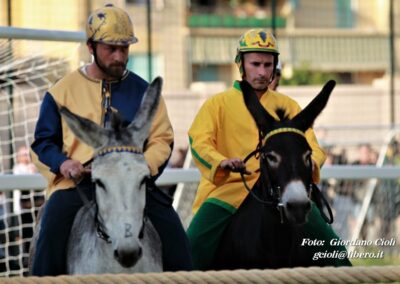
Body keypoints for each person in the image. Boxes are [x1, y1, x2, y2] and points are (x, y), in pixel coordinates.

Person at [30, 4, 192, 276]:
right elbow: (43, 143)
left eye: (125, 49)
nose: (119, 56)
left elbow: (162, 139)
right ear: (91, 47)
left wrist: (142, 168)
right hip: (77, 186)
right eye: (111, 49)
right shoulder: (61, 91)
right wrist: (64, 163)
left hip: (134, 185)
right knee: (50, 235)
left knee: (177, 241)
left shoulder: (144, 90)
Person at [187, 29, 351, 270]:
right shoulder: (217, 104)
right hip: (227, 190)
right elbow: (198, 140)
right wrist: (220, 162)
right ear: (241, 63)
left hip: (284, 187)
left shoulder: (288, 105)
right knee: (190, 249)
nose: (262, 72)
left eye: (268, 64)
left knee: (335, 253)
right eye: (255, 64)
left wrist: (310, 163)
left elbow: (313, 146)